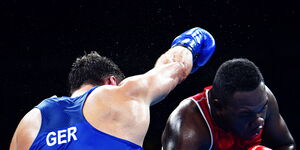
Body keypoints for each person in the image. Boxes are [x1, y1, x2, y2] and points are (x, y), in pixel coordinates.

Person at [9, 27, 216, 150]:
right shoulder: (120, 96)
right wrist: (189, 43)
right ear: (111, 81)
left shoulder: (29, 122)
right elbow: (175, 68)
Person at [161, 58, 296, 150]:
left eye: (262, 109)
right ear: (219, 107)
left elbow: (286, 145)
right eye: (245, 114)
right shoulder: (188, 128)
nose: (259, 121)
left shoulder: (262, 100)